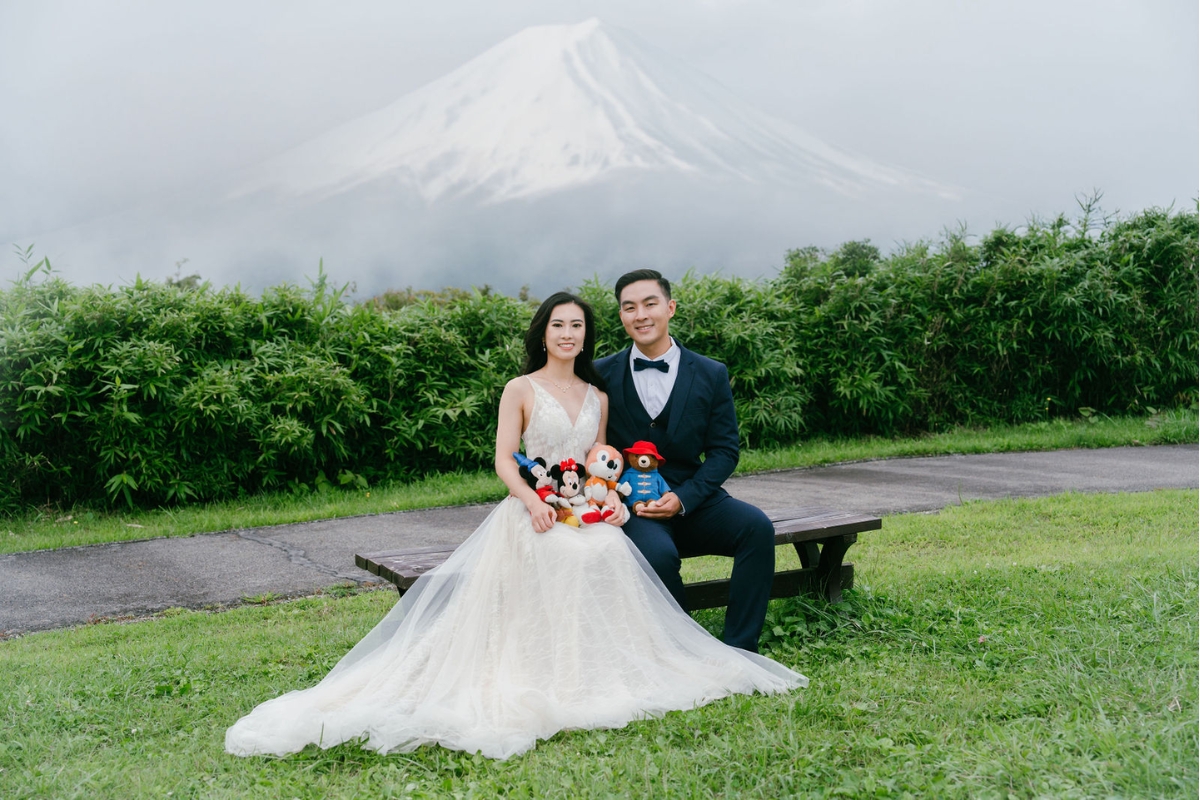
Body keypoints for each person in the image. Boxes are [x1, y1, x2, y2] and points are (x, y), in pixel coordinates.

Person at [224, 291, 804, 762]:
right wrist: (531, 500)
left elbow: (606, 455)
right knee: (584, 556)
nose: (568, 334)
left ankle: (677, 654)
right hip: (535, 510)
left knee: (612, 549)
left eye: (578, 326)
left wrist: (614, 498)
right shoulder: (519, 389)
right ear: (543, 332)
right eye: (558, 325)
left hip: (594, 508)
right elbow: (505, 459)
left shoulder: (599, 392)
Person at [595, 270, 775, 653]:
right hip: (634, 504)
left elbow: (725, 451)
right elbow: (593, 448)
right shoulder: (600, 374)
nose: (640, 314)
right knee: (658, 555)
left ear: (670, 307)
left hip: (695, 499)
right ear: (621, 316)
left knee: (757, 528)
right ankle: (687, 649)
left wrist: (684, 498)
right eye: (629, 307)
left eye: (650, 303)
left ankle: (741, 648)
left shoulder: (710, 373)